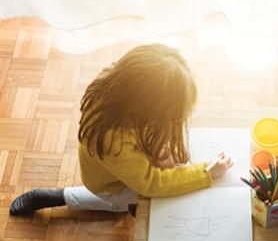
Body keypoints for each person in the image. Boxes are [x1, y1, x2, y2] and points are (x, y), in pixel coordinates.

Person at [10, 44, 232, 216]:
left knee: (143, 194)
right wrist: (206, 173)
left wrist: (158, 148)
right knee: (124, 204)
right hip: (110, 185)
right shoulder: (114, 141)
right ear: (146, 107)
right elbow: (152, 185)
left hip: (122, 167)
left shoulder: (119, 87)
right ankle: (57, 197)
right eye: (168, 116)